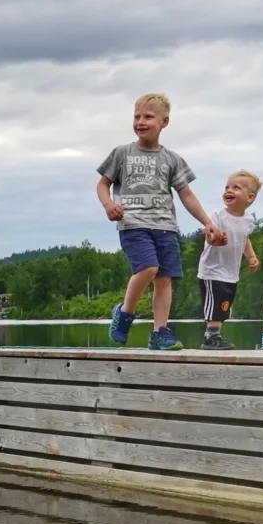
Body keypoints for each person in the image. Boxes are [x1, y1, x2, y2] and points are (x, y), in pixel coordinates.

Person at [96, 93, 225, 351]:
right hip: (133, 224)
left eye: (148, 117)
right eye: (137, 116)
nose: (141, 122)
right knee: (148, 268)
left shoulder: (172, 159)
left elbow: (186, 194)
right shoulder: (122, 153)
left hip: (166, 227)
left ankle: (159, 332)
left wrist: (207, 222)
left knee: (164, 278)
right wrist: (109, 204)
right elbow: (103, 184)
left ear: (164, 122)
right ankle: (125, 312)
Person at [197, 171, 262, 350]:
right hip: (212, 269)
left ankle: (215, 336)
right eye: (227, 187)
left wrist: (251, 256)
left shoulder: (248, 220)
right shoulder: (217, 215)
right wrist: (214, 240)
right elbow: (209, 234)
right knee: (214, 306)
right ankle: (210, 338)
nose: (229, 190)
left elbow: (245, 238)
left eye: (236, 188)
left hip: (230, 272)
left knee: (224, 305)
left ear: (250, 197)